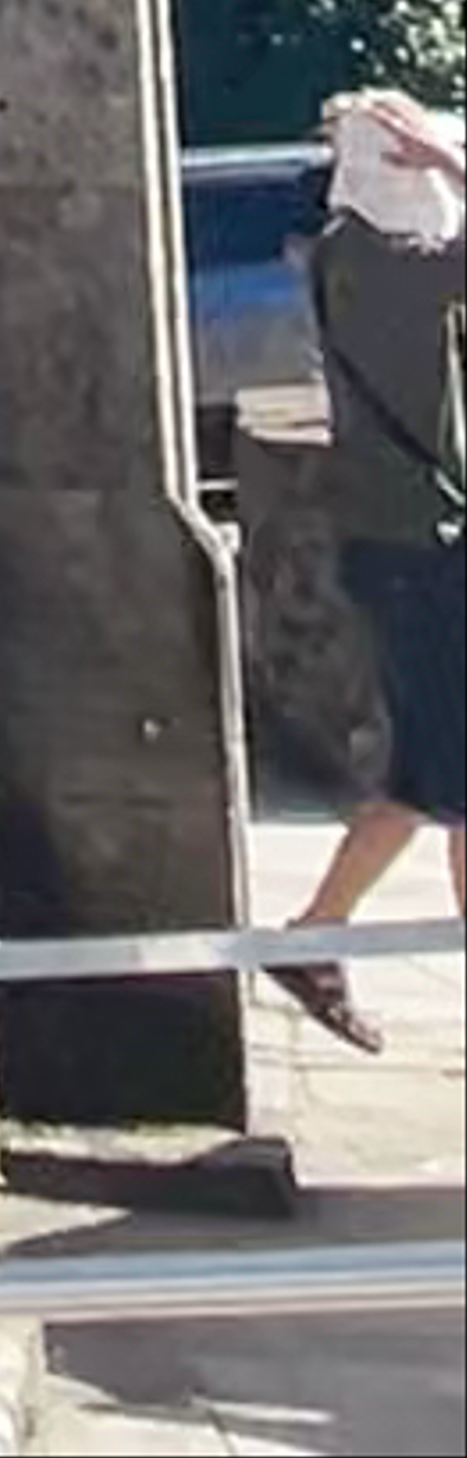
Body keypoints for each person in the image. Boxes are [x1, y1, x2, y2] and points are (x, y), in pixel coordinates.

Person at [278, 83, 466, 1056]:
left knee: (429, 774)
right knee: (454, 776)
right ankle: (313, 934)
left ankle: (314, 934)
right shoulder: (400, 268)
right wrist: (448, 161)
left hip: (394, 545)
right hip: (423, 548)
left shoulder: (340, 250)